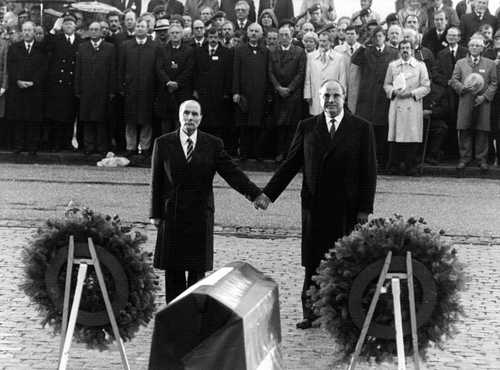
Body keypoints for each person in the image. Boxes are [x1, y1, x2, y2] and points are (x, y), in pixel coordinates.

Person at [255, 80, 377, 329]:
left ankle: (343, 314)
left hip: (348, 208)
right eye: (326, 96)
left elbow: (369, 171)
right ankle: (310, 313)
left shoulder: (361, 128)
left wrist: (365, 208)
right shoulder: (308, 127)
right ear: (319, 99)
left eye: (335, 95)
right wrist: (268, 194)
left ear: (344, 98)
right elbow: (290, 164)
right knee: (313, 261)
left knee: (345, 260)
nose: (330, 100)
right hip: (315, 206)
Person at [149, 100, 264, 303]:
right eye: (186, 113)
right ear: (179, 115)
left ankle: (193, 316)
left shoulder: (212, 144)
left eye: (194, 114)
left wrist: (255, 194)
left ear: (201, 118)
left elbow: (232, 173)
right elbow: (156, 181)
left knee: (197, 272)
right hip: (172, 214)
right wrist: (155, 214)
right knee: (173, 272)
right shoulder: (163, 143)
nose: (190, 118)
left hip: (199, 215)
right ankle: (174, 315)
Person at [352, 26, 399, 168]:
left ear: (385, 37)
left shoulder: (392, 52)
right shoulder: (366, 51)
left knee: (382, 128)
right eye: (375, 36)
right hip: (368, 94)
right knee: (367, 128)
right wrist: (364, 43)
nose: (378, 39)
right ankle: (367, 160)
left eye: (380, 36)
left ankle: (382, 160)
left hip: (383, 95)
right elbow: (354, 59)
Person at [450, 35, 498, 173]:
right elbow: (454, 80)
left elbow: (494, 83)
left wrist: (485, 97)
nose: (474, 48)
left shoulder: (490, 64)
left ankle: (481, 159)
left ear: (482, 48)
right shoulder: (460, 63)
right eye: (472, 45)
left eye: (478, 46)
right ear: (468, 47)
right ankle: (464, 158)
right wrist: (462, 88)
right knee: (464, 128)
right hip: (466, 100)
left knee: (482, 129)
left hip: (482, 102)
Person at [384, 39, 431, 176]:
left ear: (412, 50)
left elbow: (426, 86)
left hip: (412, 104)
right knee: (396, 135)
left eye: (408, 48)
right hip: (397, 103)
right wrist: (393, 91)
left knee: (411, 134)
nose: (405, 50)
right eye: (402, 48)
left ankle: (411, 166)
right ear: (399, 50)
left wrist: (412, 93)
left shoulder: (420, 66)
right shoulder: (393, 66)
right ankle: (394, 165)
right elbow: (386, 84)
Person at [118, 17, 162, 157]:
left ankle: (145, 147)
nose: (139, 28)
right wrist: (121, 87)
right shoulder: (126, 45)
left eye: (142, 26)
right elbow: (120, 69)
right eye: (138, 26)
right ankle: (130, 147)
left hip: (148, 89)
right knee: (130, 120)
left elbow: (158, 69)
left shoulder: (155, 46)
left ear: (148, 28)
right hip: (130, 89)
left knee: (146, 120)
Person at [75, 22, 116, 155]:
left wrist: (111, 90)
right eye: (91, 29)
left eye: (96, 29)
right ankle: (88, 147)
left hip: (103, 90)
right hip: (86, 90)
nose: (93, 32)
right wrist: (78, 89)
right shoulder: (82, 47)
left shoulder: (109, 48)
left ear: (101, 32)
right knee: (87, 120)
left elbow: (112, 70)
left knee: (101, 120)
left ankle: (101, 147)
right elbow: (78, 70)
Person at [6, 21, 48, 155]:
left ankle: (32, 147)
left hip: (35, 90)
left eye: (29, 30)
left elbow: (44, 68)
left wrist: (34, 82)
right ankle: (18, 146)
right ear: (21, 32)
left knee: (33, 120)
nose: (27, 33)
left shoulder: (41, 48)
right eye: (24, 30)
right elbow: (10, 67)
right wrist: (18, 80)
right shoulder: (14, 48)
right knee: (18, 119)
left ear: (34, 32)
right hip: (18, 89)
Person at [268, 24, 306, 163]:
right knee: (279, 125)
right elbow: (270, 72)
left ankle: (291, 154)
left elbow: (301, 73)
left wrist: (289, 89)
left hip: (293, 94)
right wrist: (278, 87)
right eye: (281, 35)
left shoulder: (299, 52)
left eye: (287, 35)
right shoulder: (273, 52)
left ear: (291, 36)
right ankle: (279, 152)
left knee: (292, 125)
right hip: (278, 94)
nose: (284, 38)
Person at [45, 14, 82, 151]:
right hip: (58, 84)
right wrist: (54, 30)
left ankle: (67, 142)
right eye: (65, 24)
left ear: (75, 26)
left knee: (70, 116)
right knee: (56, 116)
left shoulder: (80, 41)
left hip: (72, 84)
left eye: (71, 24)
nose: (68, 26)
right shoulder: (57, 39)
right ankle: (55, 143)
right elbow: (45, 46)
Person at [232, 23, 269, 160]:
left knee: (258, 125)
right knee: (244, 125)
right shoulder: (240, 50)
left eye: (256, 31)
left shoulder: (265, 51)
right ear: (247, 33)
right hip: (244, 93)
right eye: (251, 31)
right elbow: (235, 72)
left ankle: (258, 154)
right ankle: (244, 154)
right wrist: (235, 92)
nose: (254, 33)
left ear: (260, 34)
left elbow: (267, 73)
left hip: (260, 94)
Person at [193, 27, 233, 139]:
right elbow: (195, 72)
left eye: (215, 37)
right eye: (211, 37)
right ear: (207, 38)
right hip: (203, 93)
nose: (213, 40)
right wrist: (195, 89)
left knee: (219, 122)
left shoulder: (226, 53)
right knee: (204, 121)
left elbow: (228, 74)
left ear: (219, 38)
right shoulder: (199, 52)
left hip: (219, 93)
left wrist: (226, 91)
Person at [435, 26, 468, 158]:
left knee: (462, 121)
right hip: (447, 93)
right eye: (450, 35)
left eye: (455, 36)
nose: (452, 38)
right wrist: (447, 81)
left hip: (462, 92)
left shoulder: (465, 52)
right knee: (449, 120)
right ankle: (449, 153)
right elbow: (436, 72)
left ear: (459, 38)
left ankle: (462, 152)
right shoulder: (441, 54)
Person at [156, 24, 194, 134]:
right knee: (166, 123)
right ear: (169, 34)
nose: (175, 35)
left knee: (180, 121)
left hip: (182, 91)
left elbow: (189, 70)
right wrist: (168, 82)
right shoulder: (162, 49)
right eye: (172, 33)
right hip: (166, 91)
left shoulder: (189, 50)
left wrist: (177, 83)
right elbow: (159, 68)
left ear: (181, 34)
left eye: (177, 33)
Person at [304, 31, 348, 116]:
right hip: (316, 94)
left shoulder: (339, 58)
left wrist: (342, 96)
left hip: (333, 95)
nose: (322, 44)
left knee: (331, 117)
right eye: (320, 41)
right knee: (317, 118)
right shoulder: (311, 56)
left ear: (331, 42)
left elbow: (342, 78)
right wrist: (307, 94)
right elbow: (308, 78)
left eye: (324, 41)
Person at [334, 25, 362, 113]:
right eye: (348, 34)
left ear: (357, 35)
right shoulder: (337, 49)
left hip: (357, 84)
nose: (350, 36)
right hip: (342, 82)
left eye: (352, 34)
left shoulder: (362, 49)